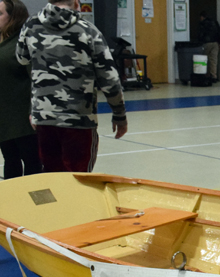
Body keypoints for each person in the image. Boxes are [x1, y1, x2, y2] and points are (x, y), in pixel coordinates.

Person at [16, 0, 126, 173]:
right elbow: (109, 78)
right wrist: (119, 115)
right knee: (79, 177)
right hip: (79, 119)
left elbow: (22, 58)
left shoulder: (30, 26)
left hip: (44, 116)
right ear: (76, 2)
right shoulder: (88, 30)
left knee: (52, 175)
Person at [0, 0, 41, 179]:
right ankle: (12, 204)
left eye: (0, 13)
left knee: (32, 162)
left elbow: (37, 79)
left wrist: (35, 111)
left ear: (13, 17)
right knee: (10, 160)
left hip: (24, 119)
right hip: (4, 118)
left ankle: (36, 205)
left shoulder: (23, 43)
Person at [198, 11, 220, 82]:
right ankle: (214, 76)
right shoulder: (214, 22)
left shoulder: (203, 23)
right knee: (213, 60)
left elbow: (200, 34)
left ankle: (205, 75)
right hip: (215, 43)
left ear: (202, 17)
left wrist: (199, 42)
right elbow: (219, 32)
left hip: (206, 43)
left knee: (203, 59)